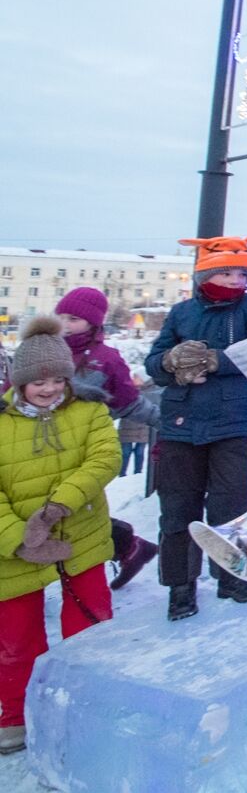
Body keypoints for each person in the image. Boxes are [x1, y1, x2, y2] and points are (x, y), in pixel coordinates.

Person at [0, 317, 121, 755]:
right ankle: (14, 712)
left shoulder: (90, 411)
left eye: (57, 379)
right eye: (38, 381)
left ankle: (88, 704)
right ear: (20, 383)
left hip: (81, 536)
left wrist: (56, 508)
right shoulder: (2, 424)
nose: (49, 389)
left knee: (89, 626)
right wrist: (20, 538)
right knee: (16, 640)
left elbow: (105, 459)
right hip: (14, 552)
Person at [145, 234, 247, 621]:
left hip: (233, 422)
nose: (237, 280)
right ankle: (180, 587)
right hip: (181, 425)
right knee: (177, 508)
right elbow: (153, 364)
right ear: (206, 274)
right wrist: (171, 361)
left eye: (242, 273)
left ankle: (231, 577)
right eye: (227, 272)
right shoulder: (181, 313)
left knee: (232, 505)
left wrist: (215, 360)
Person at [55, 286, 160, 589]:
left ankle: (124, 546)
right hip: (37, 444)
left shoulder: (106, 358)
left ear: (93, 322)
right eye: (61, 316)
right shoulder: (43, 349)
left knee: (68, 509)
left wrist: (167, 424)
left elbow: (129, 401)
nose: (65, 323)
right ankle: (129, 546)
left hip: (84, 448)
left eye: (73, 318)